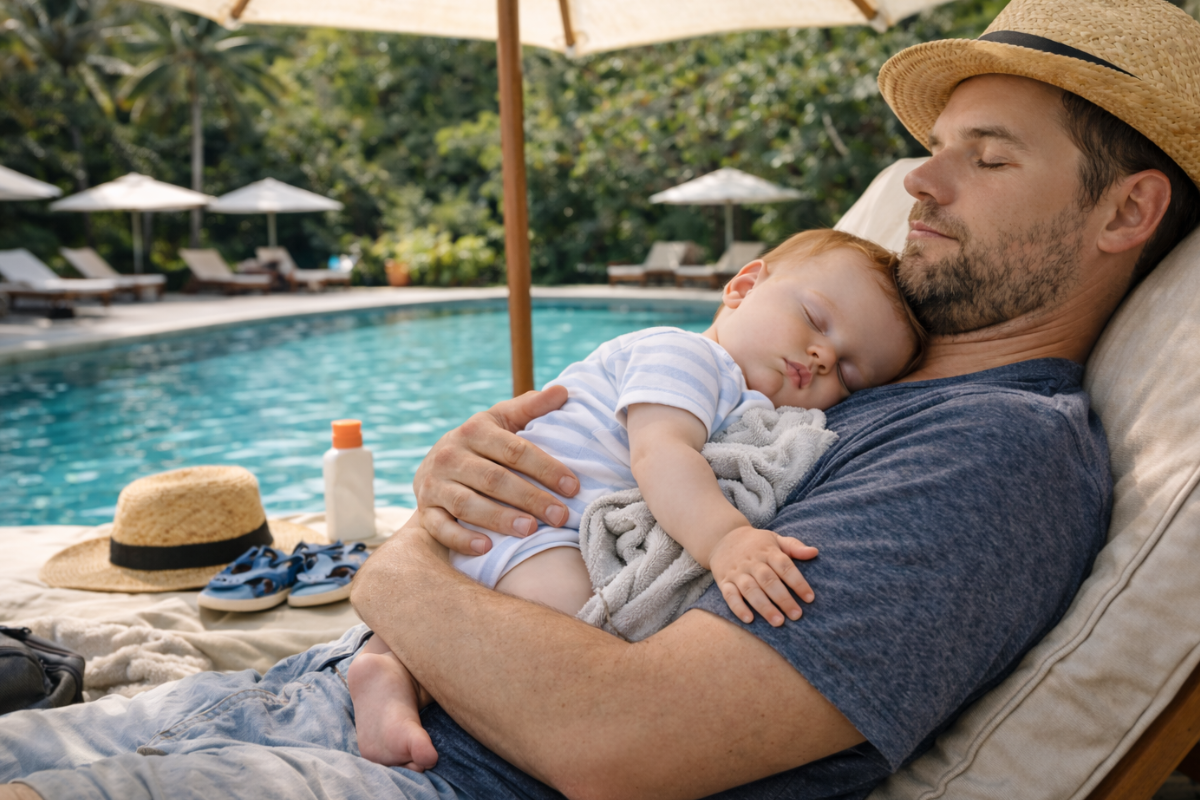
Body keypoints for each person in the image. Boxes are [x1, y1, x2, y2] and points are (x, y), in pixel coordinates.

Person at [2, 0, 1198, 798]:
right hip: (319, 694)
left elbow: (616, 740)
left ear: (1126, 213)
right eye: (937, 146)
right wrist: (462, 481)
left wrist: (401, 570)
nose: (919, 183)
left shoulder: (997, 452)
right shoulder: (843, 384)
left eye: (987, 157)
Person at [348, 229, 926, 770]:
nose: (824, 355)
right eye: (815, 319)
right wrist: (727, 540)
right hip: (529, 521)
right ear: (743, 286)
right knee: (574, 624)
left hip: (536, 525)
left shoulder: (748, 402)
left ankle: (388, 666)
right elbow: (661, 456)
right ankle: (396, 666)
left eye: (849, 372)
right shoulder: (686, 356)